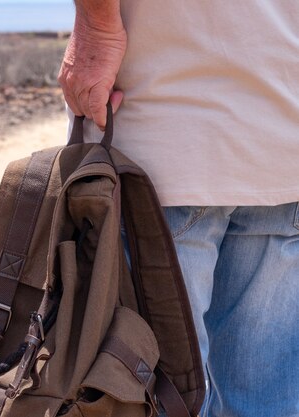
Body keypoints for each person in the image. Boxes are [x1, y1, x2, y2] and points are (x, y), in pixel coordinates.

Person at [60, 1, 299, 416]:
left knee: (152, 398)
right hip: (281, 127)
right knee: (263, 400)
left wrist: (96, 27)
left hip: (163, 132)